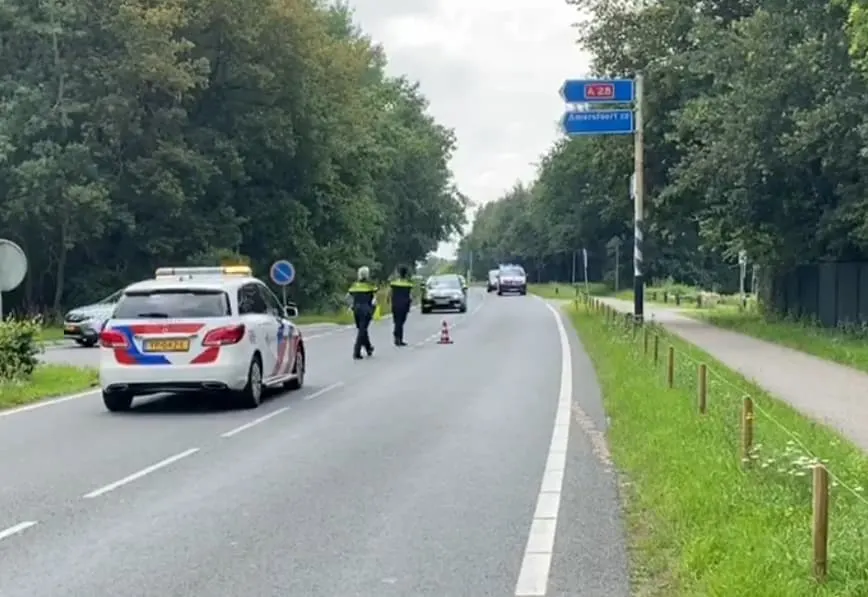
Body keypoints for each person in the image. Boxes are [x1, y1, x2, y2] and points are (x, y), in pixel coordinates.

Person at [347, 266, 377, 359]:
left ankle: (368, 348)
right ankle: (356, 352)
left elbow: (347, 297)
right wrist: (373, 309)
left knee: (362, 329)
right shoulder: (370, 286)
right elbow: (374, 300)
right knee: (362, 330)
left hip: (356, 309)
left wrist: (351, 305)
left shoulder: (355, 285)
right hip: (366, 309)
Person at [389, 266, 414, 346]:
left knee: (397, 321)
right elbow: (410, 295)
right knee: (401, 322)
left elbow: (390, 292)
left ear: (399, 274)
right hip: (404, 305)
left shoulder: (394, 283)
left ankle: (398, 337)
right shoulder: (408, 284)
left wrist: (388, 299)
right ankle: (398, 338)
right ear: (406, 274)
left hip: (395, 304)